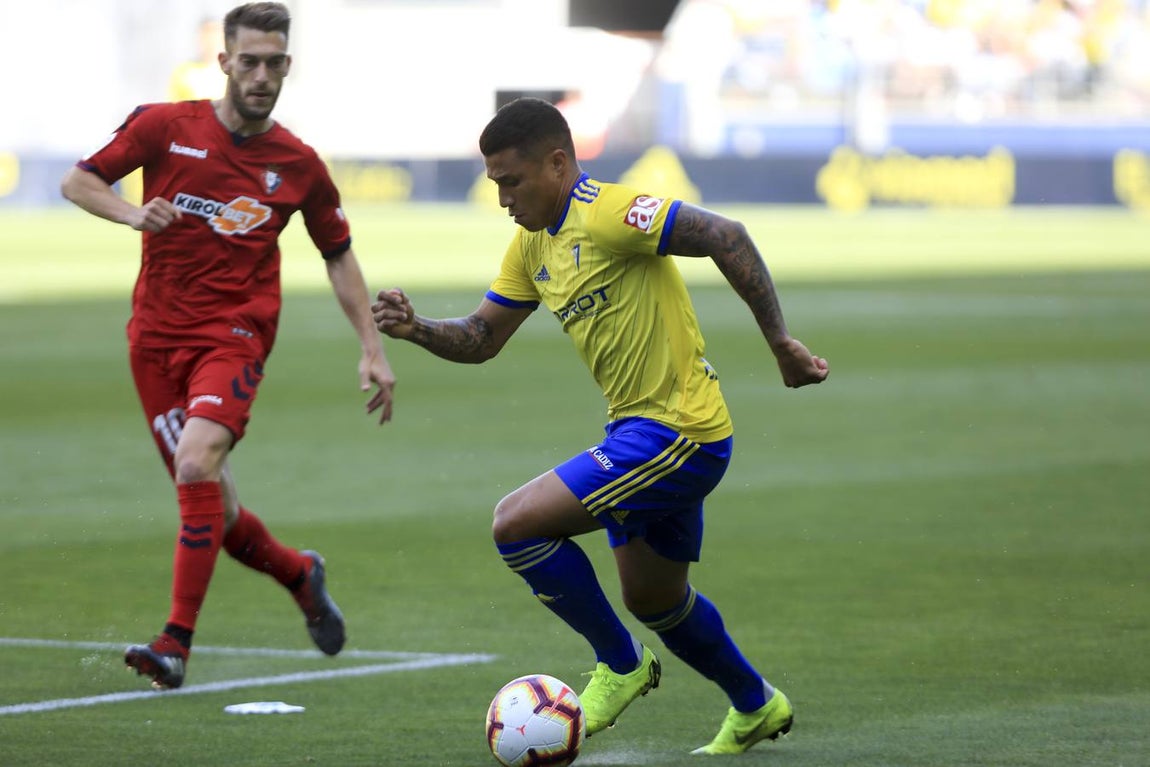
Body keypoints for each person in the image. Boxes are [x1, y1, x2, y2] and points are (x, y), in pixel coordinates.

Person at [372, 97, 828, 754]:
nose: (501, 197)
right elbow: (480, 337)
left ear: (557, 163)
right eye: (494, 183)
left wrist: (780, 341)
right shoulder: (532, 246)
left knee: (515, 523)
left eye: (510, 181)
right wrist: (417, 329)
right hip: (637, 435)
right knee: (655, 600)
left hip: (679, 432)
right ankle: (756, 703)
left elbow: (724, 235)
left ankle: (621, 664)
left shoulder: (611, 213)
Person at [61, 2, 396, 690]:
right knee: (221, 510)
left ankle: (174, 643)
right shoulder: (165, 126)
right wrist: (133, 212)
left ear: (288, 66)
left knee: (196, 461)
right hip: (154, 340)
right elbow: (80, 179)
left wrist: (371, 345)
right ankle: (301, 574)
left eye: (275, 63)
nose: (262, 75)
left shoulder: (298, 164)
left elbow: (338, 253)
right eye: (249, 61)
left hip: (234, 336)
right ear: (224, 63)